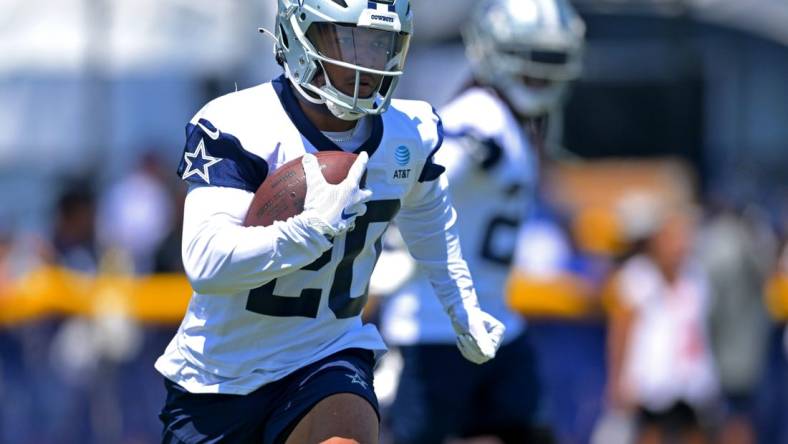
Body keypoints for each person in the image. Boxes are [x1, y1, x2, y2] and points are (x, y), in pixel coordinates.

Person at [154, 1, 505, 443]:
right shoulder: (240, 124)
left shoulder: (409, 133)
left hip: (328, 354)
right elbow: (206, 264)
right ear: (301, 37)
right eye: (349, 40)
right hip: (220, 377)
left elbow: (430, 218)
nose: (367, 62)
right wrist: (306, 231)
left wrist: (462, 304)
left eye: (380, 45)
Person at [377, 0, 585, 442]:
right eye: (529, 59)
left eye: (550, 60)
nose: (540, 74)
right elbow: (427, 172)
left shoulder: (510, 121)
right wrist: (394, 241)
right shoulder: (481, 116)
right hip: (433, 330)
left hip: (495, 324)